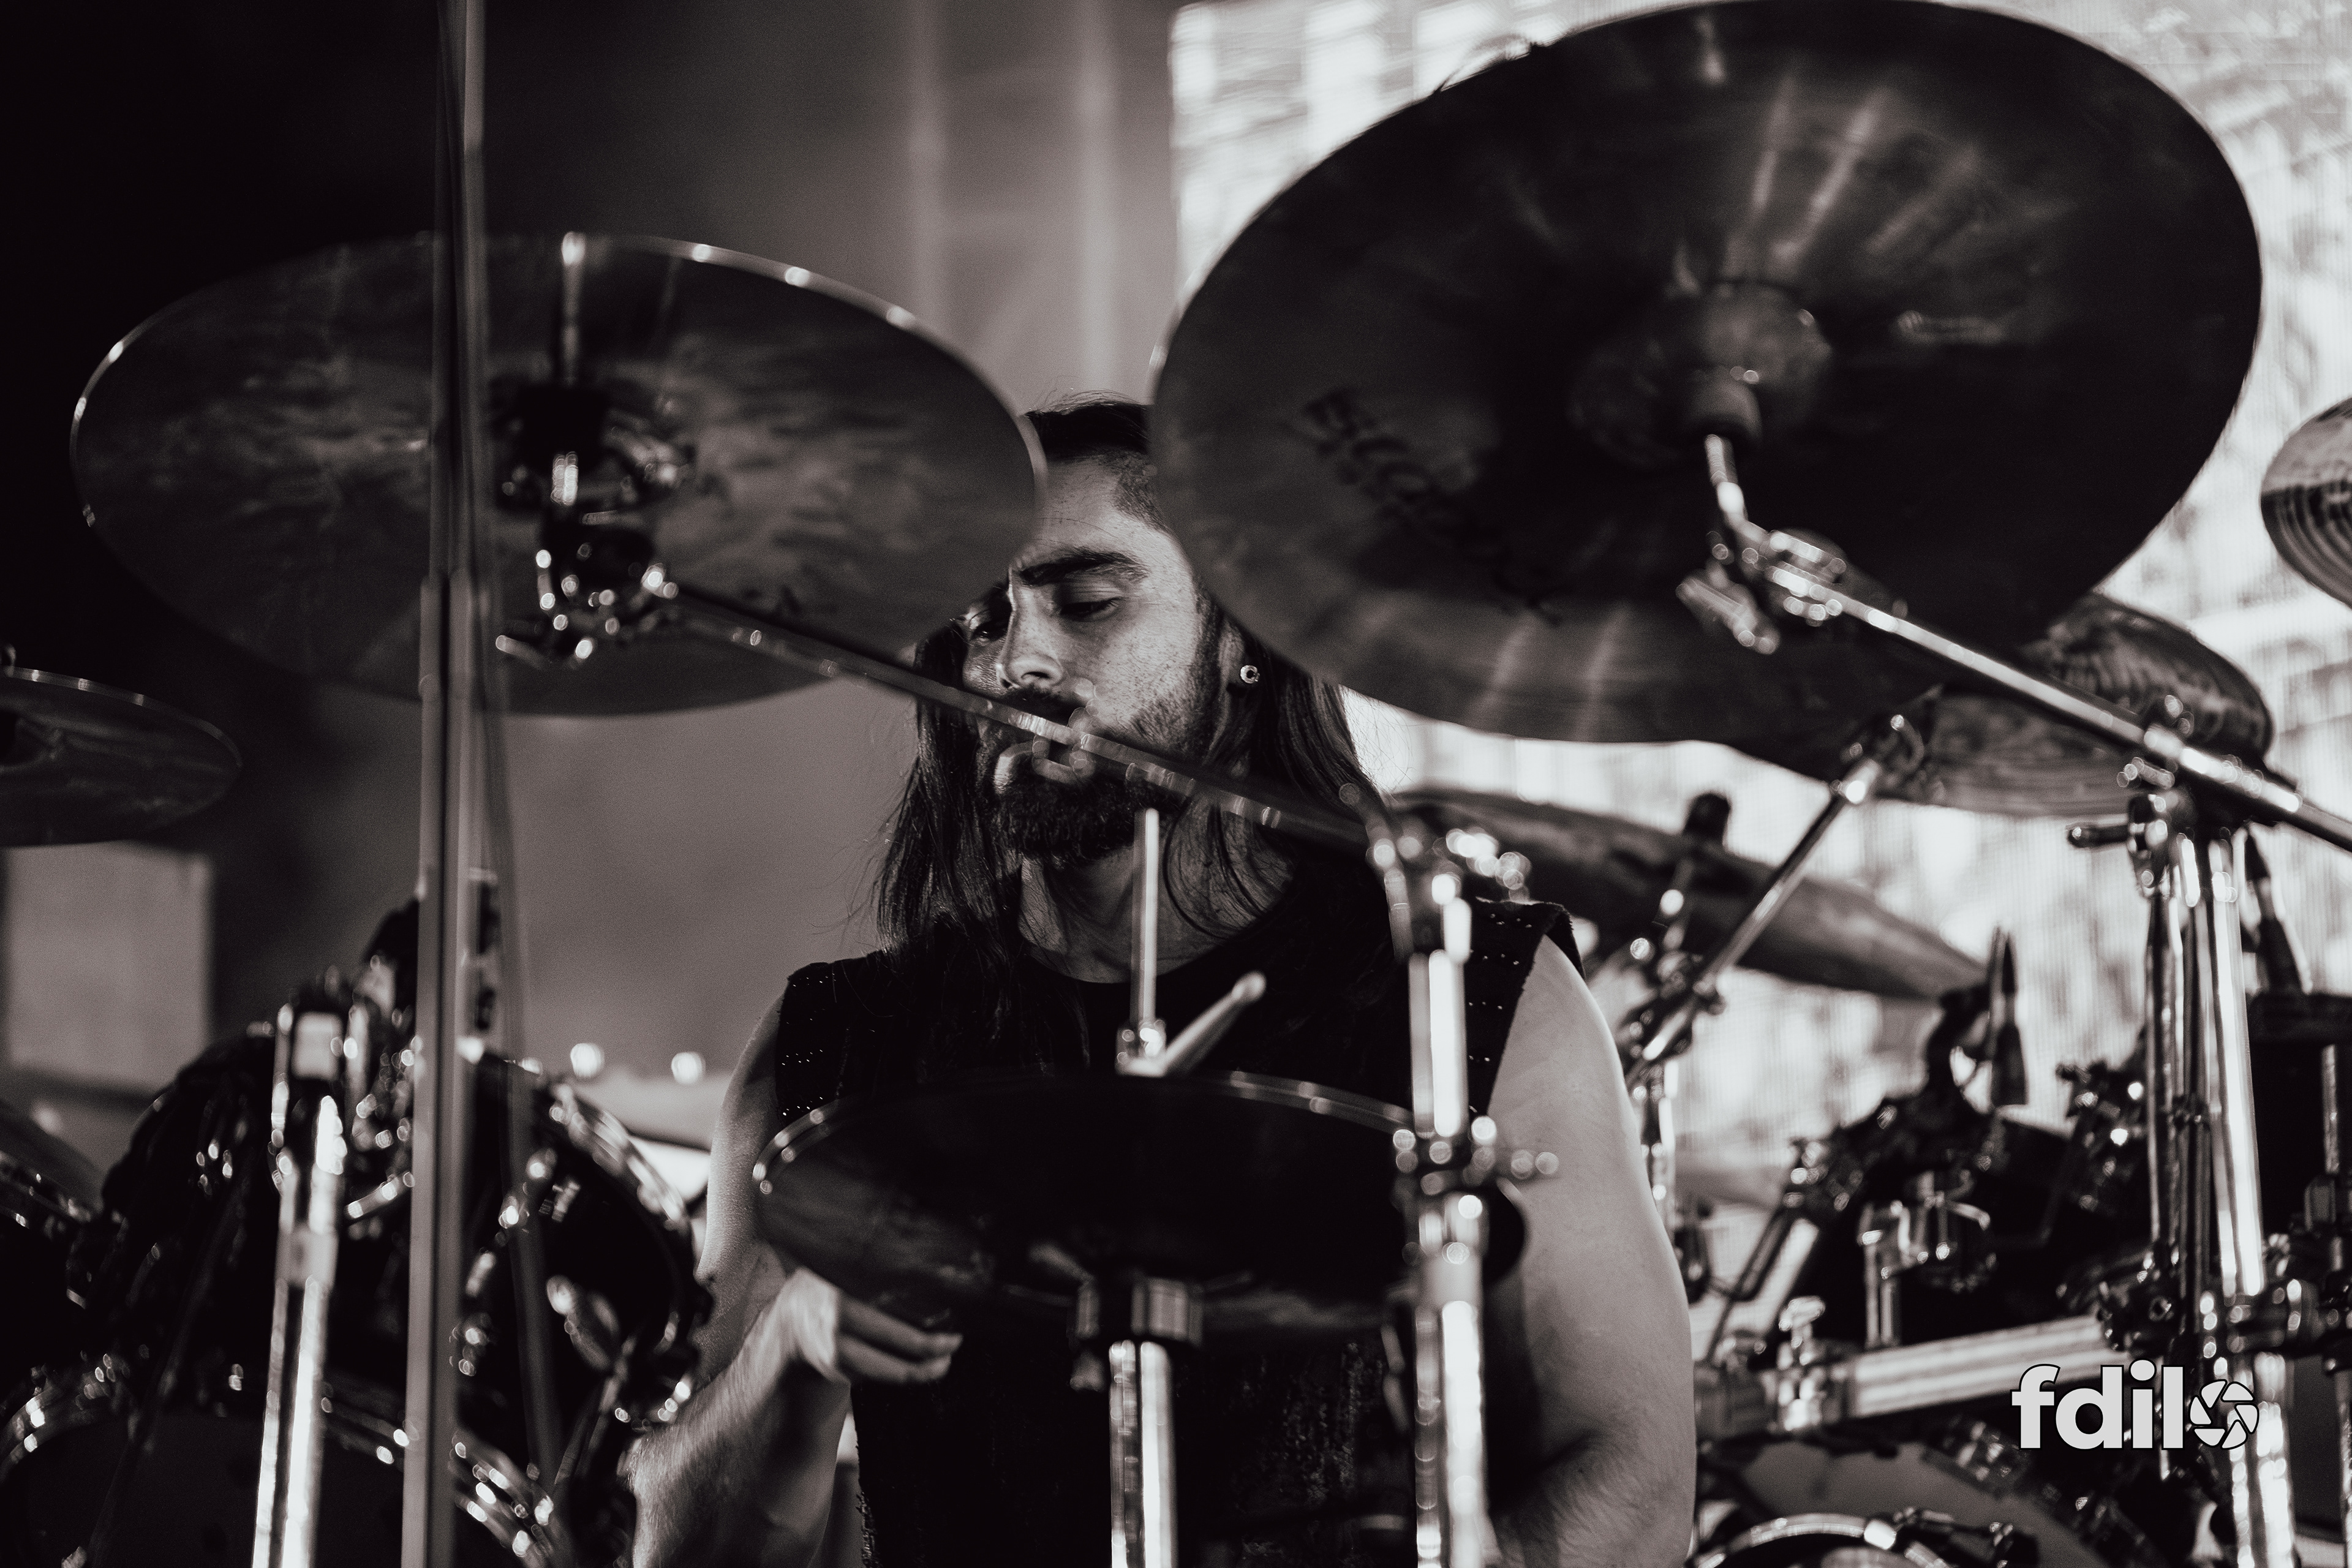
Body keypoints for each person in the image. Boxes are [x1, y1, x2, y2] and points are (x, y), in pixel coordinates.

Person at [622, 397, 1694, 1566]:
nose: (1016, 661)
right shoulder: (839, 1041)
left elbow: (1636, 1482)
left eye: (1088, 602)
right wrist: (788, 1352)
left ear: (1242, 638)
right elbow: (672, 1547)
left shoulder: (1467, 987)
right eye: (982, 622)